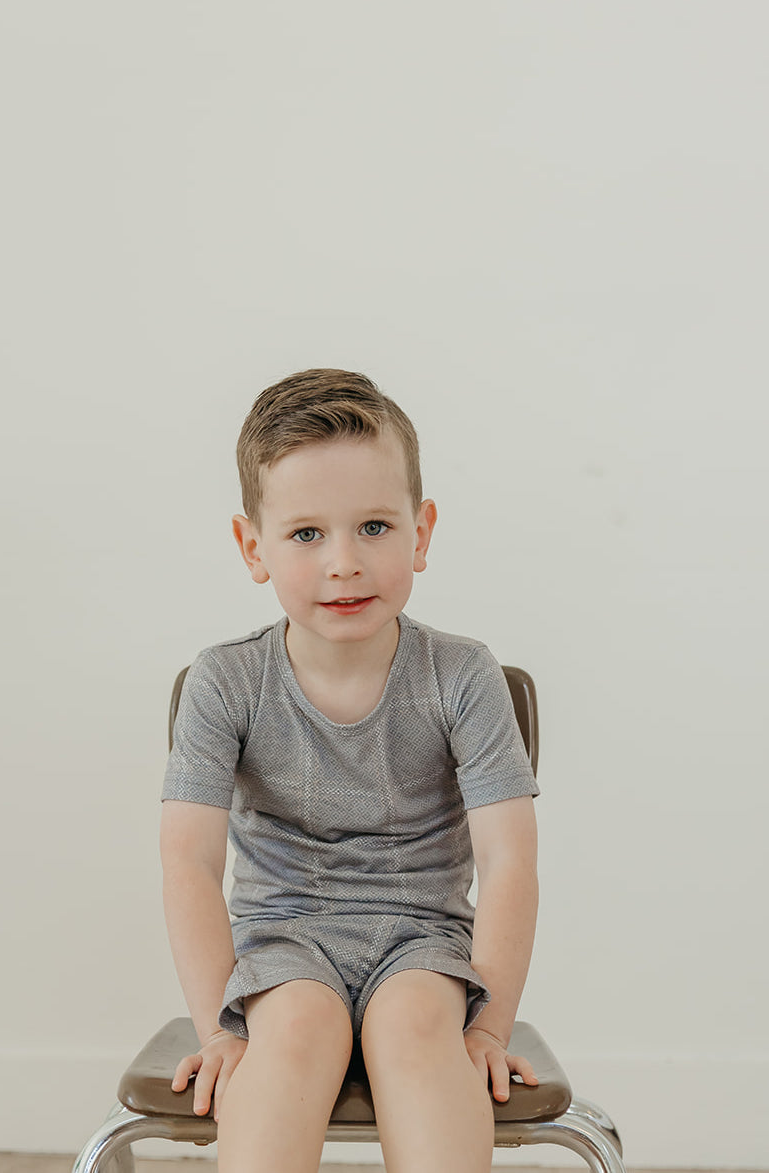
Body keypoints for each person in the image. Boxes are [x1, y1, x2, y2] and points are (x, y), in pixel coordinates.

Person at [160, 369, 540, 1173]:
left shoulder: (462, 676)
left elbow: (509, 859)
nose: (343, 563)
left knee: (414, 1024)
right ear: (252, 547)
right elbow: (188, 862)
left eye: (373, 526)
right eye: (305, 534)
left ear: (420, 532)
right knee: (295, 1026)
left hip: (422, 941)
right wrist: (219, 1029)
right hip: (284, 941)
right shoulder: (225, 682)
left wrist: (488, 1026)